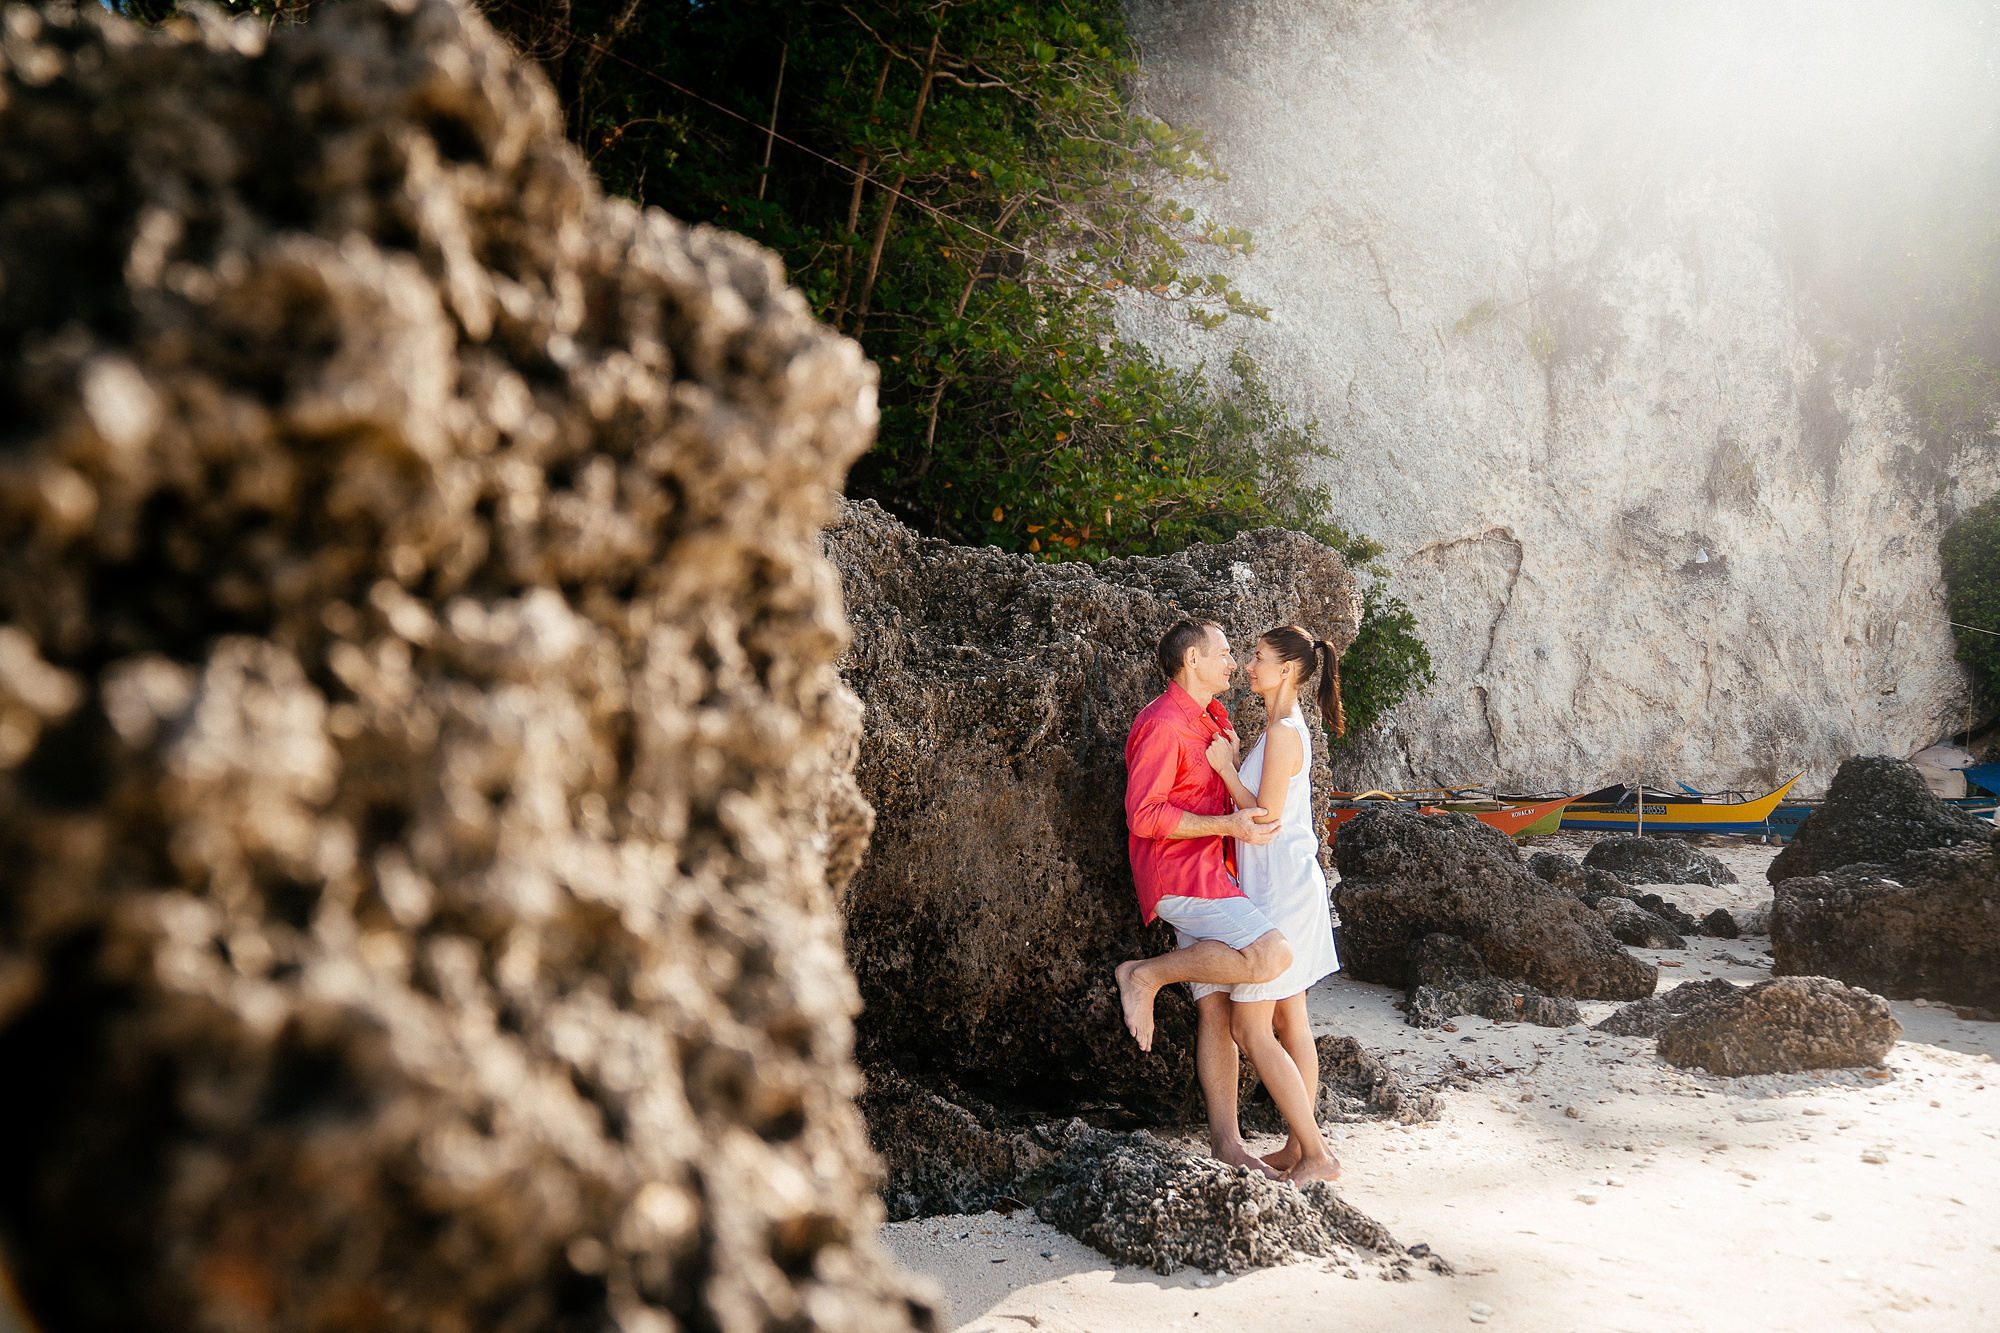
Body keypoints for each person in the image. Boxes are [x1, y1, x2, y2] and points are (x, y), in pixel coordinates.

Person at [1115, 617, 1292, 1179]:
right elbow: (1144, 815)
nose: (1234, 663)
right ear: (1192, 660)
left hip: (1214, 873)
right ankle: (1144, 974)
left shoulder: (1213, 719)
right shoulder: (1163, 725)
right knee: (1271, 956)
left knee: (1214, 1011)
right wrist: (1230, 826)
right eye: (1222, 653)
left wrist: (1232, 765)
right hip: (1178, 878)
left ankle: (1226, 1144)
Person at [1202, 624, 1346, 1184]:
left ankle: (1315, 1154)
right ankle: (1298, 1145)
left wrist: (1222, 769)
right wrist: (1238, 762)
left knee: (1249, 1027)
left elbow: (1262, 819)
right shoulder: (1278, 729)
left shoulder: (1286, 730)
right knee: (1291, 1019)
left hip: (1282, 892)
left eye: (1259, 657)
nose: (1249, 665)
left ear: (1287, 670)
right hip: (1283, 886)